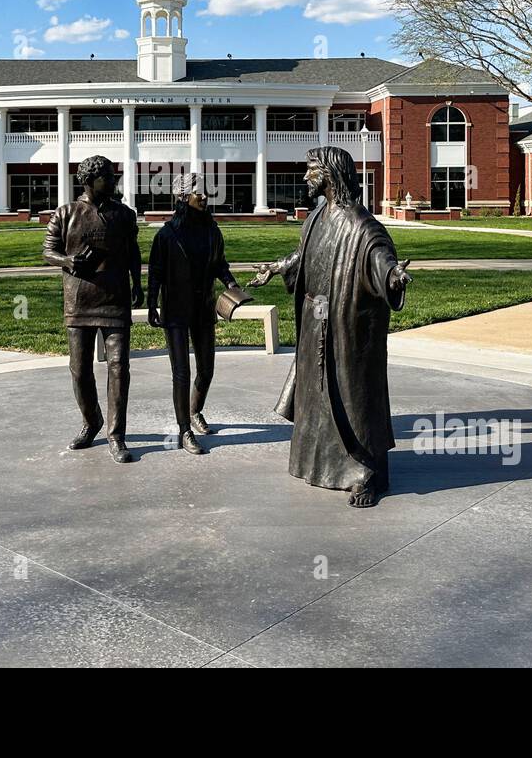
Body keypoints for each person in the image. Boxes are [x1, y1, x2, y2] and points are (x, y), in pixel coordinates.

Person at [250, 145, 411, 507]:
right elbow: (304, 256)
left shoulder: (361, 226)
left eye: (311, 170)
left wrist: (393, 277)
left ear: (331, 174)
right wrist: (277, 268)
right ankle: (319, 464)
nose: (306, 176)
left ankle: (363, 473)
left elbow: (379, 258)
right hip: (315, 321)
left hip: (345, 328)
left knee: (352, 398)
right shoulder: (316, 217)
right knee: (316, 398)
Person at [43, 155, 143, 463]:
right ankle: (92, 421)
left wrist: (138, 284)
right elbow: (48, 250)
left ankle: (117, 435)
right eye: (109, 177)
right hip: (79, 302)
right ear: (89, 180)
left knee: (119, 369)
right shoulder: (65, 213)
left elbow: (133, 252)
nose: (114, 181)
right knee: (80, 371)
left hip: (115, 299)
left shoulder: (124, 215)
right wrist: (68, 261)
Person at [147, 172, 239, 455]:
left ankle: (195, 410)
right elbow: (156, 273)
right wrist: (151, 303)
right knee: (181, 373)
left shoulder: (212, 230)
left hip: (203, 307)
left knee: (207, 370)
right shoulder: (167, 235)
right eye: (198, 192)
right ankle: (184, 430)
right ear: (183, 196)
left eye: (206, 191)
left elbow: (219, 263)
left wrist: (231, 283)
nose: (204, 196)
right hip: (175, 309)